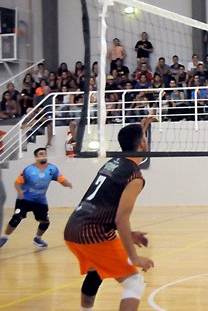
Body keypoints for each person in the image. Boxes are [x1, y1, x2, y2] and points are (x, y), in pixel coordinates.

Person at [63, 123, 153, 311]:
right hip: (91, 233)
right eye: (145, 139)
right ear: (142, 145)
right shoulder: (135, 176)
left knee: (96, 271)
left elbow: (103, 203)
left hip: (72, 228)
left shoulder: (113, 162)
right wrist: (134, 257)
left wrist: (129, 233)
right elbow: (121, 219)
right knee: (134, 283)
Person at [0, 148, 72, 249]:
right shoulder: (29, 170)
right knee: (16, 218)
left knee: (45, 222)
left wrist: (67, 183)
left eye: (45, 154)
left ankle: (37, 238)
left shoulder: (52, 169)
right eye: (41, 154)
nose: (44, 155)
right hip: (25, 199)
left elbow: (61, 179)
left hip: (40, 200)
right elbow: (17, 182)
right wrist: (19, 191)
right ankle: (4, 237)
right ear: (36, 157)